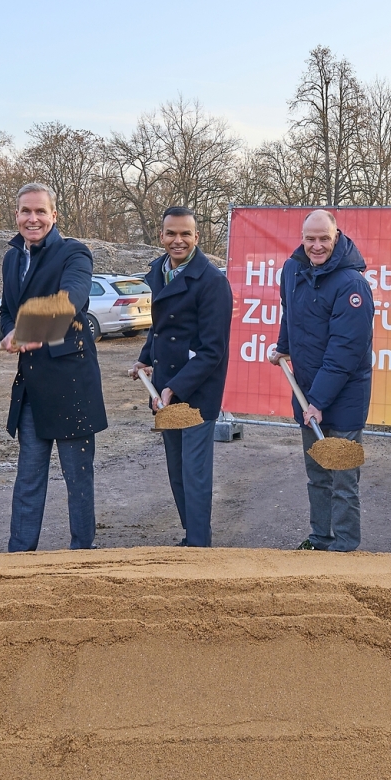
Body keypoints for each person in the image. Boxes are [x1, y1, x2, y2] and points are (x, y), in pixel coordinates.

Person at [0, 181, 106, 552]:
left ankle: (82, 552)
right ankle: (19, 553)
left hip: (72, 384)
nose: (33, 218)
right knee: (28, 476)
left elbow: (73, 297)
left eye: (40, 211)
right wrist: (12, 330)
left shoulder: (75, 253)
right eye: (26, 211)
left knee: (77, 477)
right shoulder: (11, 257)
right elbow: (6, 310)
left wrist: (32, 328)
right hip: (31, 386)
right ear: (16, 216)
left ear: (54, 215)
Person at [270, 209, 372, 552]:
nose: (316, 246)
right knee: (317, 475)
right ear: (302, 237)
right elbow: (290, 313)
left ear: (336, 236)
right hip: (307, 393)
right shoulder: (292, 270)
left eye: (324, 239)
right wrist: (283, 347)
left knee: (343, 479)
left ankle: (343, 547)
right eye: (310, 238)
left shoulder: (352, 284)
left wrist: (318, 403)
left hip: (343, 399)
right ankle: (320, 538)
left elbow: (345, 351)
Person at [130, 206, 232, 547]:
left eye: (185, 234)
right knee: (176, 470)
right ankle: (192, 534)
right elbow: (160, 330)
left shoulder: (213, 282)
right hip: (164, 391)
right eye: (171, 233)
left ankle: (200, 545)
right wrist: (145, 360)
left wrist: (175, 386)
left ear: (196, 237)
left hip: (196, 393)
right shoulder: (159, 273)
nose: (178, 240)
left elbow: (212, 350)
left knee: (195, 472)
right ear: (161, 237)